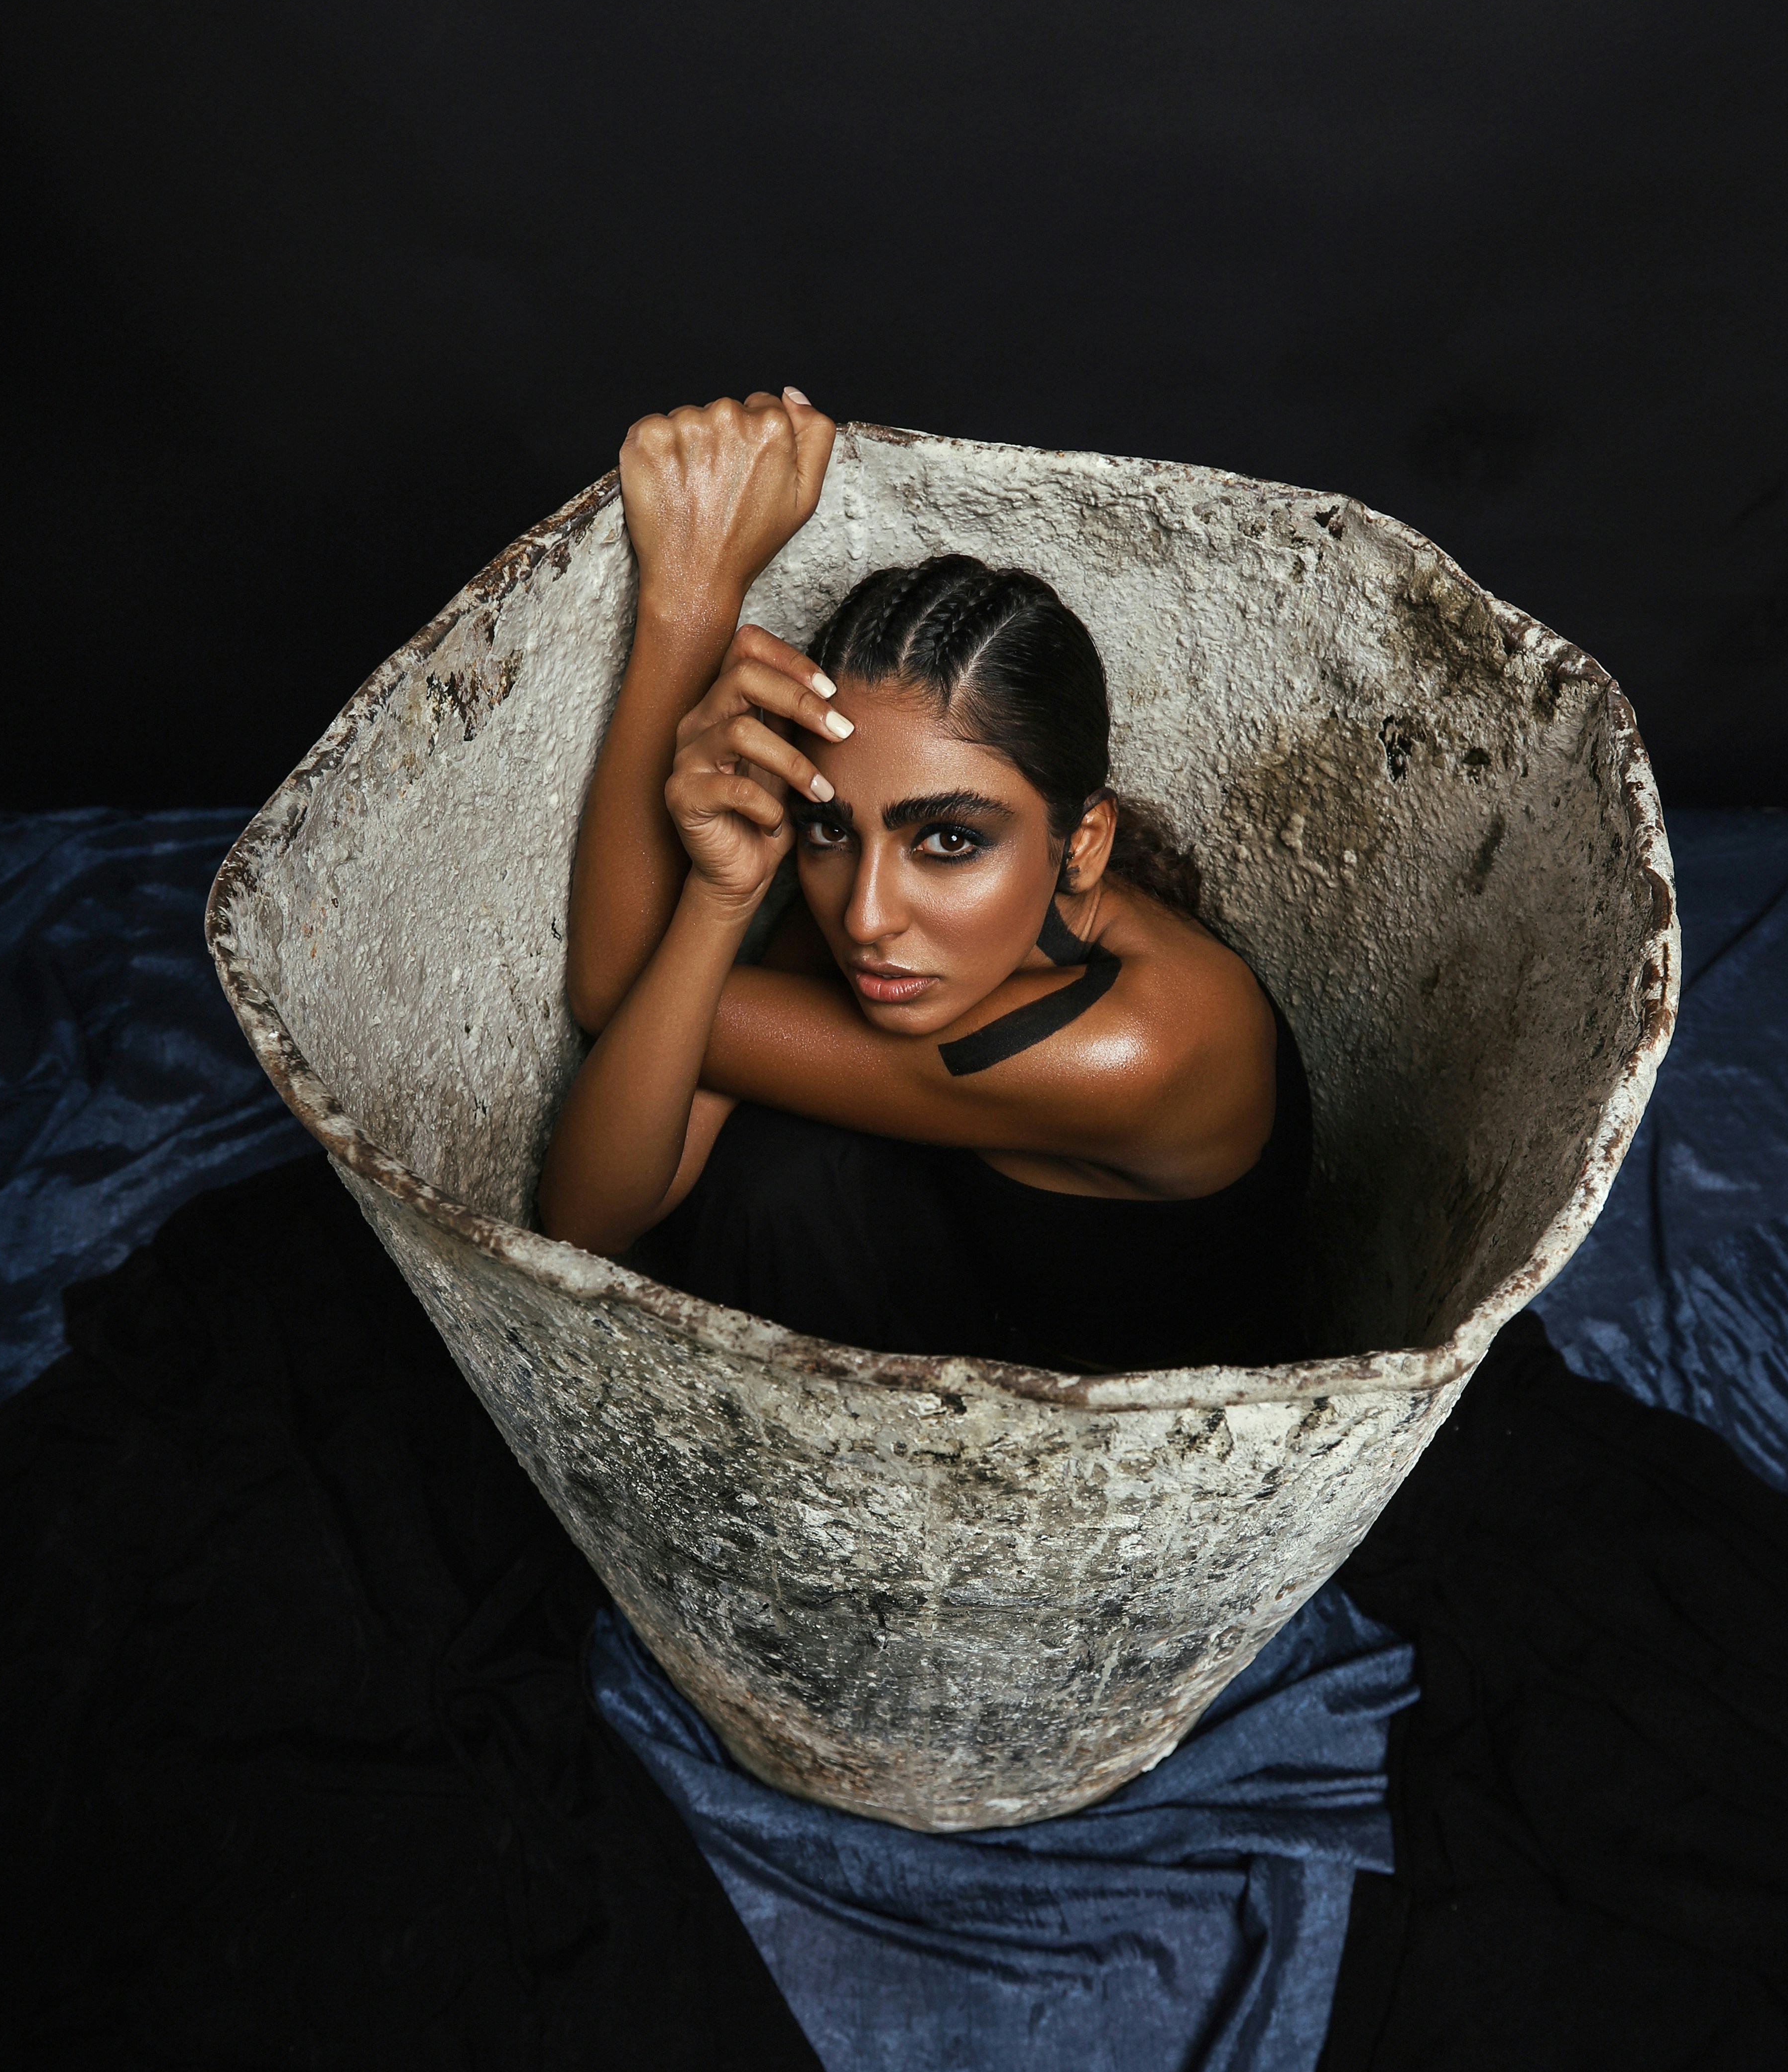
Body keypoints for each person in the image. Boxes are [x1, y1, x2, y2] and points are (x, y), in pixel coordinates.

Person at [537, 388, 1313, 1373]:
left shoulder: (1135, 1048)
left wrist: (690, 601)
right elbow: (597, 1211)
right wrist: (724, 889)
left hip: (1102, 1444)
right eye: (828, 825)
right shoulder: (894, 918)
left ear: (1081, 843)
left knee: (784, 1174)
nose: (865, 916)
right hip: (965, 1301)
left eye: (948, 839)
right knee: (777, 1174)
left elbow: (617, 996)